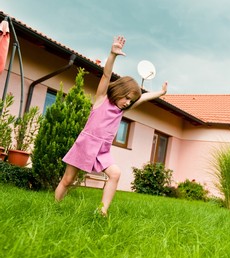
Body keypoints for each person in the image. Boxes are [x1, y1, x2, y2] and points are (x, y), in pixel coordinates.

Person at [55, 35, 168, 217]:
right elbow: (107, 74)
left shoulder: (121, 111)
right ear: (120, 91)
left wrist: (160, 93)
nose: (127, 102)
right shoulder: (101, 100)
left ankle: (102, 210)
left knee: (115, 174)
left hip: (102, 150)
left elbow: (144, 97)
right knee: (68, 180)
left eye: (131, 101)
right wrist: (112, 54)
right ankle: (56, 207)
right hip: (85, 144)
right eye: (127, 97)